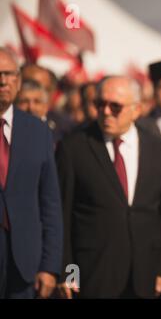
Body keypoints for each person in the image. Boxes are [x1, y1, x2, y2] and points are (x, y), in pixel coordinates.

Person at [56, 76, 161, 298]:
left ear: (136, 110)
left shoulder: (157, 149)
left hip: (144, 276)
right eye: (100, 104)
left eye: (115, 106)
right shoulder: (74, 147)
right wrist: (68, 274)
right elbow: (63, 215)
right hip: (93, 275)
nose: (106, 111)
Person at [0, 47, 63, 298]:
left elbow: (50, 203)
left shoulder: (38, 131)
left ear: (18, 80)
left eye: (8, 74)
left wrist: (50, 266)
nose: (2, 81)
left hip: (25, 264)